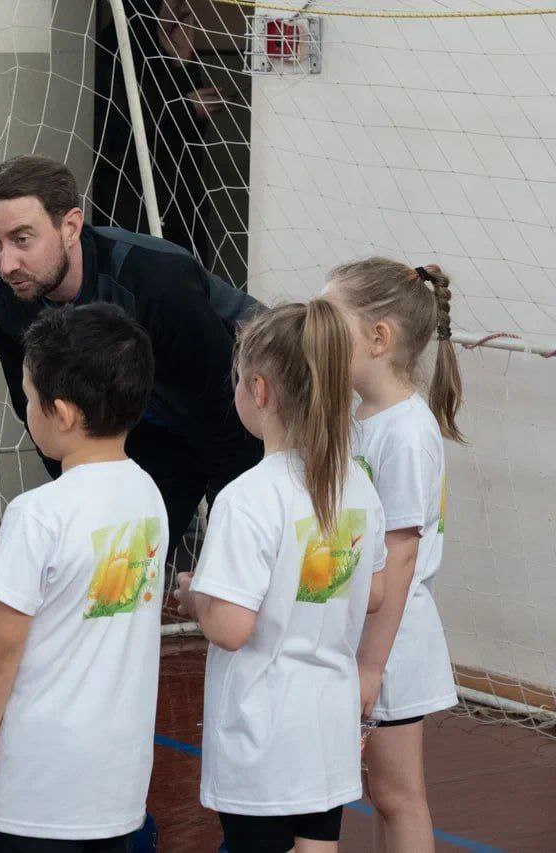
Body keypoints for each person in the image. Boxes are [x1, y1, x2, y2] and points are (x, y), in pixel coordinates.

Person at [174, 299, 386, 853]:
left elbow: (230, 628)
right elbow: (377, 593)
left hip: (262, 732)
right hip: (329, 723)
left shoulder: (247, 497)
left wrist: (196, 597)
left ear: (259, 391)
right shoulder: (357, 485)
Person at [0, 155, 262, 559]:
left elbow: (228, 422)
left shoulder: (158, 282)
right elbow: (39, 411)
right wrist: (79, 496)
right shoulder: (2, 295)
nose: (7, 264)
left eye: (22, 239)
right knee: (115, 562)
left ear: (71, 227)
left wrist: (224, 549)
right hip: (146, 430)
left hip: (243, 412)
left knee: (238, 564)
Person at [0, 303, 166, 852]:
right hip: (119, 776)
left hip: (42, 782)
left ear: (63, 413)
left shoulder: (38, 513)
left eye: (29, 397)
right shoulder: (149, 496)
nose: (26, 408)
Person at [323, 259, 464, 852]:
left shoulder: (406, 432)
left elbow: (400, 557)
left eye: (330, 324)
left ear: (378, 338)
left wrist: (371, 666)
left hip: (392, 640)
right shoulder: (363, 416)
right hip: (363, 632)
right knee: (382, 794)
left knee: (399, 795)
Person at [94, 0, 229, 264]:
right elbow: (117, 134)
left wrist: (184, 61)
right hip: (131, 208)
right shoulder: (114, 51)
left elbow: (186, 138)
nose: (185, 10)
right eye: (176, 2)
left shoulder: (168, 50)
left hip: (179, 205)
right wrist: (186, 109)